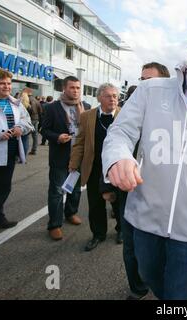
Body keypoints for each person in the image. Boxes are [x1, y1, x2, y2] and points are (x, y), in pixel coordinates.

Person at [102, 28, 187, 300]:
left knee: (179, 295)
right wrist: (119, 158)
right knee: (149, 275)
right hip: (145, 215)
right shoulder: (150, 90)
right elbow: (120, 133)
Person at [109, 62, 170, 300]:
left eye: (150, 81)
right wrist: (109, 186)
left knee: (160, 249)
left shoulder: (173, 118)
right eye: (141, 79)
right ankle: (137, 288)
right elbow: (111, 145)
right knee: (131, 248)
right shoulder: (128, 112)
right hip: (130, 192)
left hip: (162, 196)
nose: (143, 85)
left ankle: (162, 285)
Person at [69, 83, 121, 251]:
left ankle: (122, 230)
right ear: (99, 98)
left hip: (117, 168)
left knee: (119, 202)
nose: (113, 99)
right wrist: (74, 163)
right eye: (108, 96)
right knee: (96, 203)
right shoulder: (87, 116)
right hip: (94, 168)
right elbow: (80, 142)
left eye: (115, 96)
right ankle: (98, 234)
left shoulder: (125, 115)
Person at [42, 76, 86, 241]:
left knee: (75, 189)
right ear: (64, 89)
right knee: (57, 191)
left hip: (79, 156)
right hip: (60, 156)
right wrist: (57, 137)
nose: (75, 91)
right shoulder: (52, 108)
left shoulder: (85, 106)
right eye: (72, 87)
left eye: (77, 88)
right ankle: (54, 224)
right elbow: (44, 130)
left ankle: (71, 213)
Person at [0, 68, 33, 229]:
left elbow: (27, 122)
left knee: (3, 186)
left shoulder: (16, 104)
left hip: (9, 151)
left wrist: (20, 129)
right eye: (1, 83)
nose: (6, 86)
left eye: (8, 83)